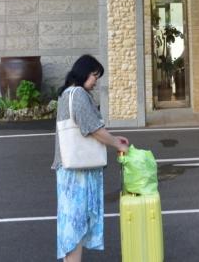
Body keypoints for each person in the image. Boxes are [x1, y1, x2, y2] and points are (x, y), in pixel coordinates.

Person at [53, 54, 129, 261]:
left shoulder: (66, 94)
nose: (96, 81)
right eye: (95, 75)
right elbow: (93, 129)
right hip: (77, 172)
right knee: (76, 225)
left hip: (69, 169)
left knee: (71, 225)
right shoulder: (78, 94)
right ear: (84, 72)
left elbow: (90, 127)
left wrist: (113, 138)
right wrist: (117, 143)